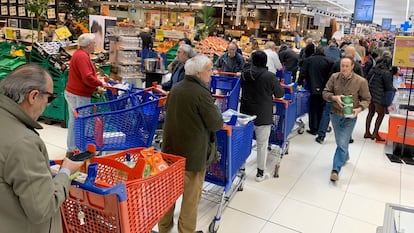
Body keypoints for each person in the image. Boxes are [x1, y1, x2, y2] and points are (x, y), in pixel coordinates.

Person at [0, 64, 84, 233]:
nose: (47, 104)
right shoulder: (23, 143)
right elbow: (42, 209)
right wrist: (65, 173)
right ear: (33, 96)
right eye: (49, 98)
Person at [158, 55, 223, 233]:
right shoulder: (202, 94)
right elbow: (216, 123)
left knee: (168, 195)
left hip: (170, 153)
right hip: (193, 157)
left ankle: (163, 227)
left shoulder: (176, 89)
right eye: (209, 70)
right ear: (198, 73)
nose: (212, 73)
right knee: (190, 199)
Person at [323, 57, 371, 182]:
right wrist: (334, 98)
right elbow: (325, 93)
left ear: (352, 67)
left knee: (342, 143)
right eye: (342, 65)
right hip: (335, 114)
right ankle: (345, 156)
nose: (344, 68)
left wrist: (359, 109)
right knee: (341, 142)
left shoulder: (361, 81)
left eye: (346, 66)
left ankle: (335, 169)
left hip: (350, 117)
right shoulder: (334, 77)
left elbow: (367, 99)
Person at [240, 50, 284, 182]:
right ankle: (260, 173)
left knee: (243, 142)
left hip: (245, 112)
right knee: (262, 144)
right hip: (263, 114)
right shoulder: (269, 76)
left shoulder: (244, 74)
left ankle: (241, 169)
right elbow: (280, 94)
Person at [65, 33, 105, 157]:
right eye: (94, 43)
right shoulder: (82, 57)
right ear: (88, 45)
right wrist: (99, 82)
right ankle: (79, 149)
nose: (95, 46)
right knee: (81, 122)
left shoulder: (79, 54)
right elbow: (87, 77)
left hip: (73, 92)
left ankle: (72, 149)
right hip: (79, 94)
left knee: (74, 121)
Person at [297, 46, 333, 137]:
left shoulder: (309, 60)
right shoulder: (329, 61)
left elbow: (303, 72)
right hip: (325, 89)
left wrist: (299, 82)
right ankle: (321, 127)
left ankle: (313, 128)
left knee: (313, 109)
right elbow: (331, 75)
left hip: (311, 88)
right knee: (322, 109)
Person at [364, 57, 394, 141]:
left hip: (370, 94)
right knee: (381, 114)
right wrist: (393, 89)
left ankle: (367, 132)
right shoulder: (386, 73)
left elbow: (367, 79)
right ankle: (375, 133)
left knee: (370, 113)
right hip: (379, 96)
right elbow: (388, 87)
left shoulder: (374, 69)